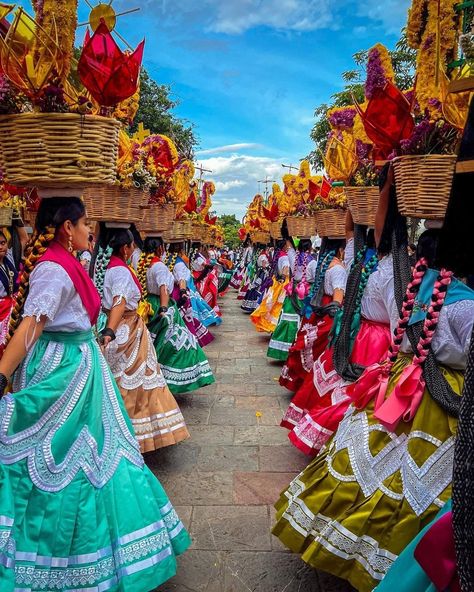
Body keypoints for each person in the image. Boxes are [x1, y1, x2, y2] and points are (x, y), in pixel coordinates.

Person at [272, 171, 474, 592]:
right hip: (444, 393)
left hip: (399, 381)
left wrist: (387, 189)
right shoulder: (464, 304)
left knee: (375, 463)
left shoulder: (408, 283)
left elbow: (374, 241)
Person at [0, 197, 190, 590]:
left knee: (96, 456)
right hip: (64, 370)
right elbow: (32, 325)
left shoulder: (66, 263)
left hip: (80, 367)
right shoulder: (53, 268)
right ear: (66, 227)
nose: (92, 230)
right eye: (86, 223)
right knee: (64, 459)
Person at [95, 225, 190, 453]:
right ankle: (135, 433)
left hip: (116, 325)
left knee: (120, 378)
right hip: (126, 328)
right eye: (131, 246)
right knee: (137, 380)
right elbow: (119, 301)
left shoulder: (104, 268)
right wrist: (111, 329)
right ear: (126, 249)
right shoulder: (120, 271)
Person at [138, 236, 215, 394]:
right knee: (177, 343)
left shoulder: (142, 264)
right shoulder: (159, 267)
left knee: (156, 342)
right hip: (161, 305)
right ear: (160, 249)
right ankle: (169, 379)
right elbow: (164, 289)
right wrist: (164, 309)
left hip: (147, 305)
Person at [166, 241, 214, 347]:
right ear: (181, 250)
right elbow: (182, 279)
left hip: (173, 292)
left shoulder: (168, 260)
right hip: (179, 293)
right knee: (185, 321)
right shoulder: (178, 263)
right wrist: (183, 293)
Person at [0, 229, 19, 345]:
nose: (0, 247)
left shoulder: (10, 258)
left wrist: (16, 220)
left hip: (14, 308)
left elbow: (23, 238)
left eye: (3, 243)